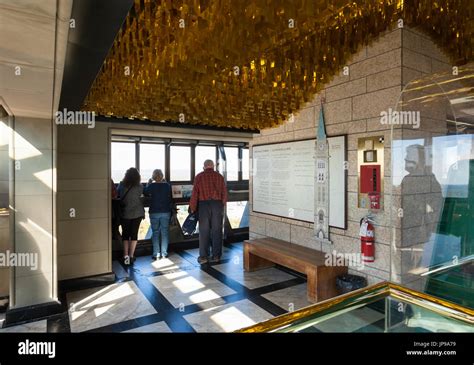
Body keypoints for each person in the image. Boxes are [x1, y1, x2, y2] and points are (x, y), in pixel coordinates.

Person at [189, 159, 227, 264]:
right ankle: (216, 256)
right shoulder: (219, 177)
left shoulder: (199, 176)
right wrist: (222, 204)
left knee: (204, 231)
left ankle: (204, 257)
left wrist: (192, 207)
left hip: (203, 205)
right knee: (217, 230)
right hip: (217, 205)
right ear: (213, 166)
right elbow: (224, 192)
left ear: (204, 166)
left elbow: (195, 193)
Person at [144, 169, 174, 260]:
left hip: (154, 212)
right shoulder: (167, 186)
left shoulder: (151, 186)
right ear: (162, 176)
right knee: (165, 232)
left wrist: (148, 184)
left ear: (153, 176)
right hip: (165, 211)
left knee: (155, 233)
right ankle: (164, 253)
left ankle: (156, 253)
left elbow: (145, 192)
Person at [118, 167, 144, 265]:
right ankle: (131, 256)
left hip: (125, 213)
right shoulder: (140, 186)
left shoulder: (121, 185)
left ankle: (125, 256)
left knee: (125, 234)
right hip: (138, 213)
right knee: (134, 234)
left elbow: (118, 194)